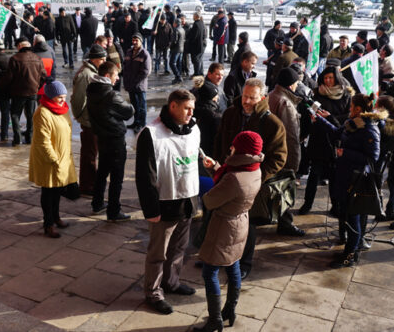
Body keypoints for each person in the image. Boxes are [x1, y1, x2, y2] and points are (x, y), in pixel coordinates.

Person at [214, 78, 304, 279]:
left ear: (262, 97)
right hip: (227, 175)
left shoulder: (272, 123)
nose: (246, 101)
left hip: (251, 183)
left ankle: (244, 263)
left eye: (252, 98)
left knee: (247, 224)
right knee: (221, 218)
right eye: (245, 96)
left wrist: (259, 178)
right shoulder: (230, 113)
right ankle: (218, 256)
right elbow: (219, 140)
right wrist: (219, 167)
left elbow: (280, 157)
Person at [137, 89, 200, 315]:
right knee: (158, 252)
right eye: (187, 108)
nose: (191, 113)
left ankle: (171, 282)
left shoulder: (193, 128)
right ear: (172, 106)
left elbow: (193, 154)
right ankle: (152, 292)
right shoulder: (151, 134)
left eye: (193, 108)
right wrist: (151, 209)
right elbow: (145, 176)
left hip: (188, 199)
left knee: (179, 248)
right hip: (164, 204)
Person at [193, 131, 264, 332]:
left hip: (224, 227)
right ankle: (229, 311)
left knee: (210, 272)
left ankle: (215, 319)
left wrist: (209, 183)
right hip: (241, 222)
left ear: (240, 150)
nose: (230, 148)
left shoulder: (233, 177)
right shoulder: (254, 169)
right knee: (233, 267)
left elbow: (209, 200)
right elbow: (232, 186)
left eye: (234, 146)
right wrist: (215, 167)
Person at [312, 93, 381, 267]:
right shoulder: (352, 124)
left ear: (358, 109)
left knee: (353, 218)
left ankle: (350, 255)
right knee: (347, 214)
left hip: (356, 179)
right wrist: (321, 120)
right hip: (345, 174)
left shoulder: (369, 128)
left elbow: (373, 156)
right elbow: (336, 133)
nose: (349, 109)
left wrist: (346, 153)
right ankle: (349, 250)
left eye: (351, 107)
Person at [298, 66, 353, 215]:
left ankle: (335, 206)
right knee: (314, 175)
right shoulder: (317, 93)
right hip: (318, 139)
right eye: (325, 78)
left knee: (335, 177)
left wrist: (329, 118)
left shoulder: (346, 95)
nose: (328, 81)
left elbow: (347, 118)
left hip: (336, 140)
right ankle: (307, 204)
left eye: (331, 78)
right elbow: (309, 113)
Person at [29, 80, 79, 239]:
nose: (63, 100)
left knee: (57, 191)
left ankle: (56, 217)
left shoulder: (63, 109)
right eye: (59, 97)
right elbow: (42, 141)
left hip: (63, 157)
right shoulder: (42, 113)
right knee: (48, 192)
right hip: (49, 160)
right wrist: (55, 160)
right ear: (50, 97)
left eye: (64, 96)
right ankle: (48, 224)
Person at [86, 61, 135, 221]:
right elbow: (129, 112)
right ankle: (114, 211)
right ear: (107, 76)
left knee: (102, 172)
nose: (117, 79)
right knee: (116, 177)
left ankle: (97, 203)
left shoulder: (91, 89)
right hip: (115, 139)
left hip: (101, 137)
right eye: (115, 75)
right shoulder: (111, 95)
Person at [71, 44, 107, 197]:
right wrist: (82, 117)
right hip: (89, 121)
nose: (104, 61)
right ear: (95, 59)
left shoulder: (91, 72)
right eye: (103, 59)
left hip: (93, 120)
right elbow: (78, 100)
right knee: (89, 156)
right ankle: (87, 186)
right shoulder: (86, 75)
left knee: (91, 154)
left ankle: (89, 184)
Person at [3, 37, 47, 145]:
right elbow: (44, 76)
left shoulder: (15, 58)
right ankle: (30, 138)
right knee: (31, 115)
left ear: (19, 47)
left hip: (18, 92)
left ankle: (17, 138)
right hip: (32, 92)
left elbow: (9, 77)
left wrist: (2, 87)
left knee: (15, 114)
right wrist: (37, 86)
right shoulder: (37, 58)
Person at [269, 68, 303, 173]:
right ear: (290, 85)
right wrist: (294, 165)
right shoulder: (286, 104)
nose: (297, 86)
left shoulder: (271, 95)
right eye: (296, 83)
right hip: (281, 158)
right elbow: (291, 136)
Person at [193, 64, 225, 156]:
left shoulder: (213, 86)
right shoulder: (204, 89)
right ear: (209, 74)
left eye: (222, 75)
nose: (220, 77)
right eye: (217, 74)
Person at [123, 33, 152, 133]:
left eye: (137, 40)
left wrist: (135, 82)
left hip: (140, 86)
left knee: (141, 106)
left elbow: (146, 71)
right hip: (131, 85)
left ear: (141, 41)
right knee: (134, 105)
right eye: (133, 40)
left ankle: (142, 124)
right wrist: (126, 81)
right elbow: (125, 67)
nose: (134, 42)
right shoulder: (129, 52)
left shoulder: (145, 54)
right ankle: (136, 122)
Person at [188, 12, 207, 76]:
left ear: (196, 16)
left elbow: (194, 36)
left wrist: (189, 40)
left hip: (196, 46)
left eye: (193, 16)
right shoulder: (201, 23)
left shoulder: (196, 24)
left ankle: (197, 73)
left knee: (196, 61)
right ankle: (200, 72)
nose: (193, 17)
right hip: (201, 45)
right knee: (199, 60)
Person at [169, 18, 185, 84]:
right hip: (181, 48)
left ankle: (178, 76)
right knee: (179, 63)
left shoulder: (176, 30)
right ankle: (178, 76)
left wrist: (170, 46)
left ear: (175, 23)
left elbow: (174, 41)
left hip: (176, 49)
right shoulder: (182, 29)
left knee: (172, 63)